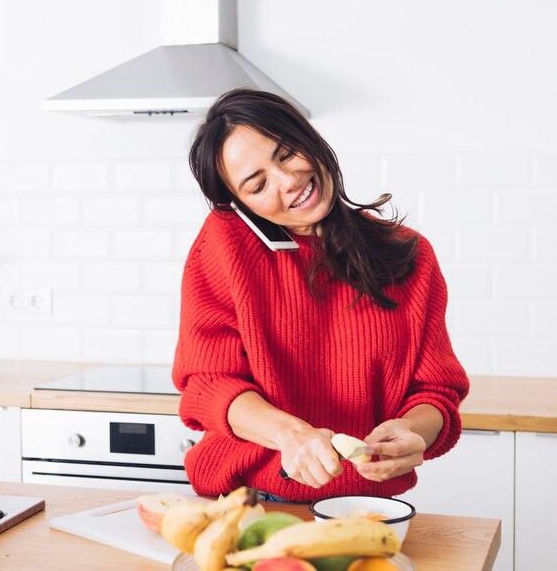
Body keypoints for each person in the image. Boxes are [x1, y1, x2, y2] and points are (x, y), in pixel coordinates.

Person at [172, 88, 469, 503]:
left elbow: (435, 393)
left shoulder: (410, 255)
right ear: (241, 205)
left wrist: (414, 432)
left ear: (307, 136)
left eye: (286, 152)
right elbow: (208, 384)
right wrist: (291, 436)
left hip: (366, 506)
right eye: (257, 185)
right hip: (249, 502)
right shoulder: (226, 246)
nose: (289, 182)